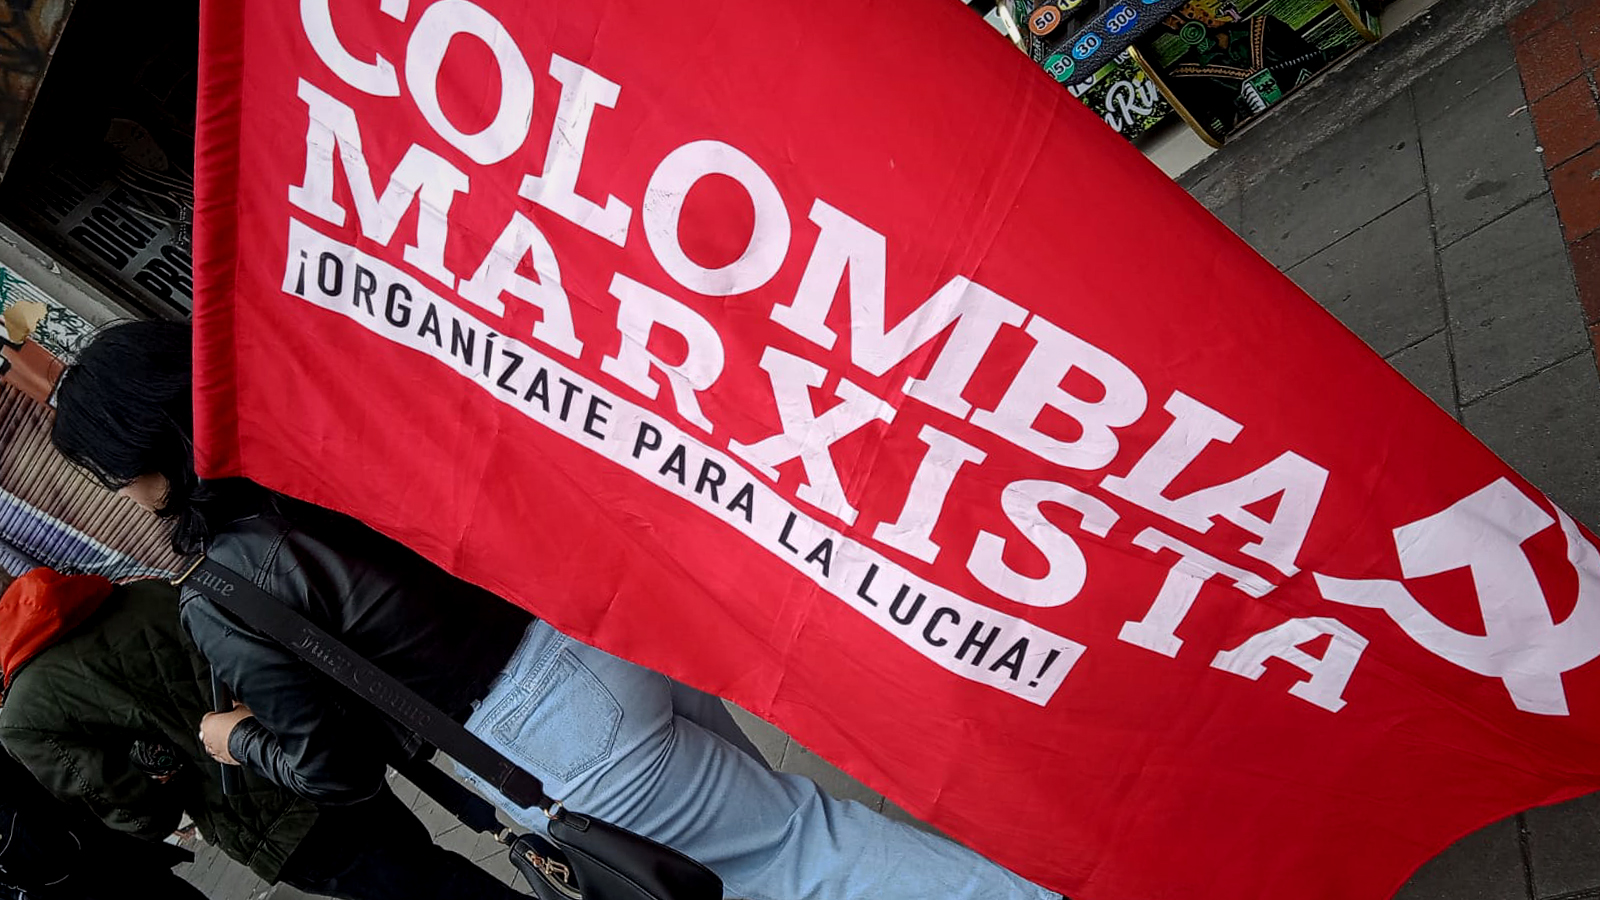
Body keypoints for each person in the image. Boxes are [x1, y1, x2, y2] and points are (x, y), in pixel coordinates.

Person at [50, 319, 1060, 900]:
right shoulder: (328, 431)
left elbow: (335, 770)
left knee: (804, 852)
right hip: (597, 635)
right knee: (787, 832)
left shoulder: (224, 587)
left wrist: (235, 741)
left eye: (106, 469)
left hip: (551, 737)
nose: (118, 490)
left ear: (141, 451)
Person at [0, 565, 528, 900]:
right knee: (425, 867)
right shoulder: (142, 593)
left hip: (267, 820)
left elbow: (138, 813)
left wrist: (165, 774)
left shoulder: (22, 717)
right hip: (319, 754)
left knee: (419, 885)